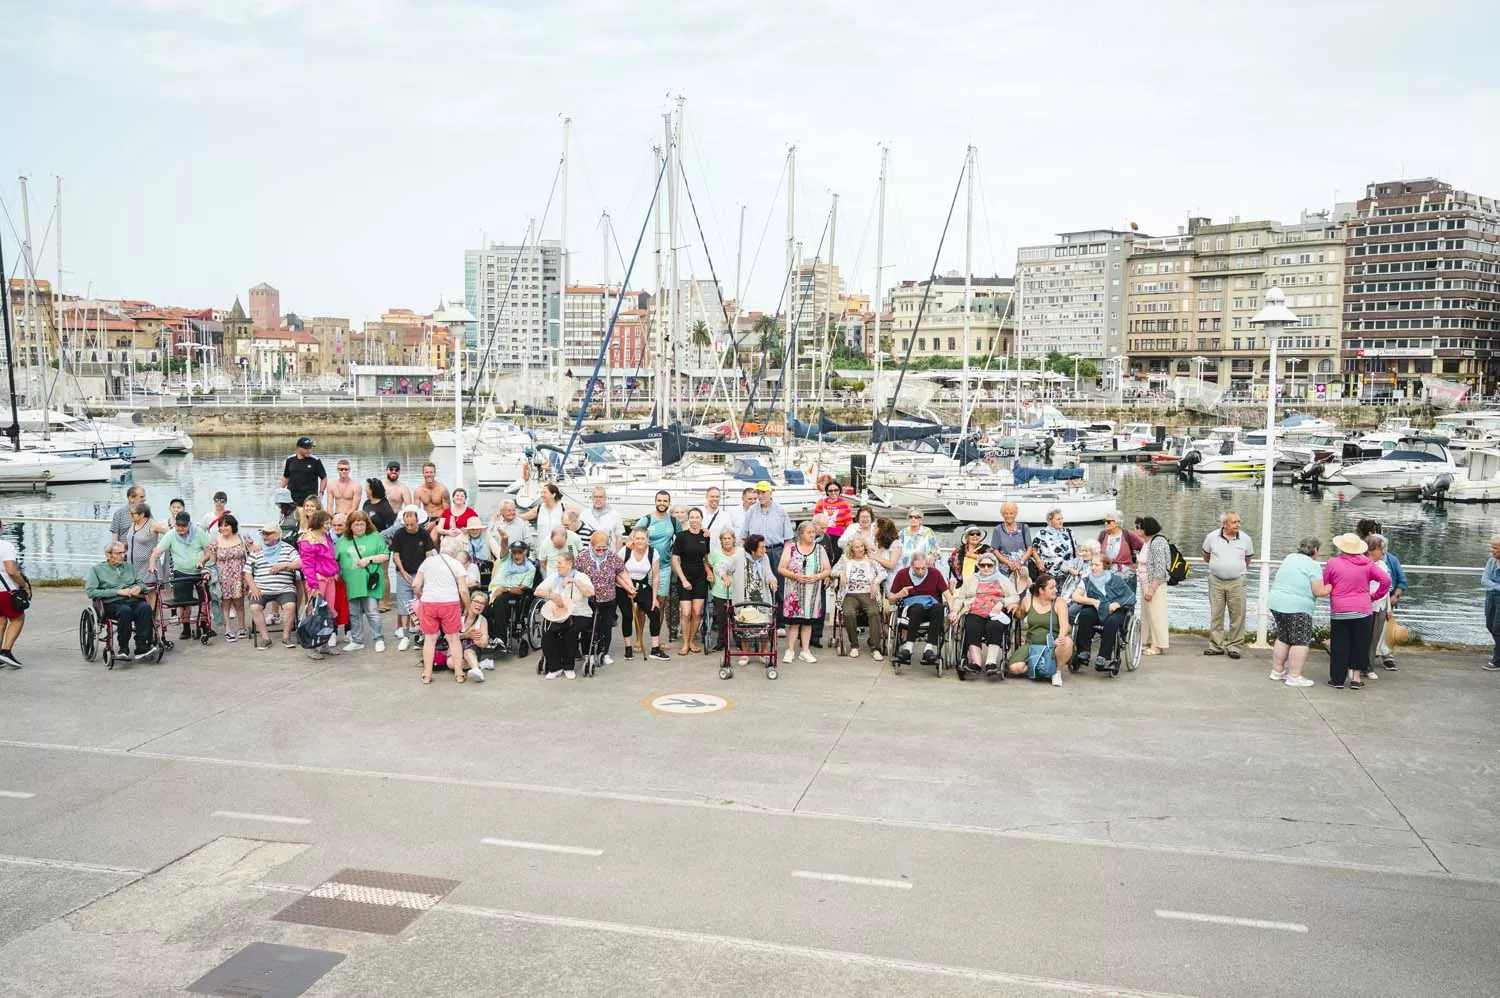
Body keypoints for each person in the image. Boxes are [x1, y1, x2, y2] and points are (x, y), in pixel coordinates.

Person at [1323, 533, 1390, 690]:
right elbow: (1386, 580)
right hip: (1363, 609)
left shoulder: (1333, 563)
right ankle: (1356, 678)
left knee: (1340, 644)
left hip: (1340, 610)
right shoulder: (1367, 563)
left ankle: (1338, 679)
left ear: (1341, 547)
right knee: (1359, 644)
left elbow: (1326, 581)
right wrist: (1374, 596)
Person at [1267, 537, 1331, 688]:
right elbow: (1319, 591)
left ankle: (1277, 671)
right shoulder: (1313, 566)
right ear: (1316, 550)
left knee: (1283, 637)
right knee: (1300, 641)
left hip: (1277, 602)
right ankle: (1294, 675)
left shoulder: (1290, 558)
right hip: (1297, 607)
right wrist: (1330, 587)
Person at [949, 551, 1020, 678]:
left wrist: (1002, 602)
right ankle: (976, 663)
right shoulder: (972, 579)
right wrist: (954, 611)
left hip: (996, 612)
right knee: (971, 626)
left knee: (995, 626)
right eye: (982, 565)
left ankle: (991, 663)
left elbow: (1015, 597)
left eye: (989, 565)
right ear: (978, 566)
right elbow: (960, 598)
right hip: (975, 610)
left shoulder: (1003, 580)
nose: (986, 568)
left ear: (995, 566)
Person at [412, 537, 472, 684]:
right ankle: (458, 673)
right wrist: (468, 606)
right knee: (453, 639)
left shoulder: (427, 562)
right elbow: (463, 590)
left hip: (429, 603)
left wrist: (420, 595)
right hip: (449, 603)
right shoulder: (457, 565)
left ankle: (427, 674)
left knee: (430, 639)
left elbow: (415, 584)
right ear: (456, 551)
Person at [149, 510, 213, 641]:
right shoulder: (171, 534)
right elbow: (157, 552)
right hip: (181, 571)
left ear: (189, 525)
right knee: (183, 602)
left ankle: (204, 625)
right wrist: (152, 565)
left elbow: (208, 552)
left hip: (199, 571)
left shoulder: (199, 533)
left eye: (183, 526)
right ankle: (186, 628)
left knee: (205, 600)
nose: (180, 528)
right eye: (178, 525)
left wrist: (202, 561)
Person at [85, 542, 156, 659]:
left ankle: (141, 647)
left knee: (145, 608)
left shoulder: (128, 567)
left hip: (132, 600)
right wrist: (117, 591)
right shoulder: (96, 569)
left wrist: (139, 587)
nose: (123, 555)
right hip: (111, 602)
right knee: (125, 611)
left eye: (123, 553)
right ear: (108, 555)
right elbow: (91, 592)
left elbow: (141, 583)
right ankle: (123, 649)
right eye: (119, 553)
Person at [1068, 552, 1136, 670]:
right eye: (1092, 565)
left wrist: (1118, 603)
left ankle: (1103, 657)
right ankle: (1084, 651)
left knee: (1112, 621)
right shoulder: (1086, 580)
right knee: (1085, 614)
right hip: (1096, 609)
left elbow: (1131, 597)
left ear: (1105, 567)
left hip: (1115, 610)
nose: (1093, 568)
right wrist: (1094, 602)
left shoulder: (1117, 580)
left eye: (1096, 565)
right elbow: (1075, 596)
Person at [534, 549, 594, 680]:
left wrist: (575, 582)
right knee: (548, 634)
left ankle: (568, 667)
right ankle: (555, 667)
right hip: (559, 613)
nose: (557, 566)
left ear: (570, 564)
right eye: (557, 563)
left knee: (571, 632)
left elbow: (590, 593)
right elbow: (537, 591)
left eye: (560, 563)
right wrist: (551, 596)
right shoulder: (554, 577)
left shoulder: (581, 576)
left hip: (579, 613)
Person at [1201, 511, 1254, 658]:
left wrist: (1235, 569)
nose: (1237, 525)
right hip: (1216, 580)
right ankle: (1216, 646)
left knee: (1237, 614)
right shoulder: (1211, 537)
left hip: (1237, 581)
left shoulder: (1245, 539)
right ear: (1225, 524)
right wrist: (1219, 566)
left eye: (1238, 521)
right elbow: (1206, 555)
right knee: (1216, 614)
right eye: (1234, 522)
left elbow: (1247, 558)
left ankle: (1234, 647)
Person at [1356, 519, 1407, 671]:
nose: (1382, 551)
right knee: (1367, 634)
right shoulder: (1361, 560)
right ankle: (1364, 662)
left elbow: (1401, 582)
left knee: (1383, 631)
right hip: (1368, 603)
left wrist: (1394, 597)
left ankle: (1385, 656)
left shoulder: (1390, 561)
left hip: (1385, 601)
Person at [1005, 573, 1073, 686]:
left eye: (1055, 587)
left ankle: (1056, 671)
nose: (1056, 590)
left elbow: (1064, 625)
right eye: (1051, 588)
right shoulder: (1028, 600)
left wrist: (1060, 637)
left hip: (1053, 645)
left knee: (1067, 642)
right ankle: (1041, 669)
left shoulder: (1059, 602)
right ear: (1041, 590)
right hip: (1032, 644)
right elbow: (1020, 615)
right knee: (1014, 668)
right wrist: (1015, 607)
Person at [576, 529, 631, 669]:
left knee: (606, 626)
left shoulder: (613, 557)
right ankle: (588, 653)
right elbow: (576, 574)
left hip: (608, 597)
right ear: (591, 545)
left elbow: (622, 572)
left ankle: (604, 652)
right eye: (597, 548)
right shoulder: (582, 557)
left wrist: (629, 586)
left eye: (604, 547)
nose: (601, 550)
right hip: (588, 598)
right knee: (588, 626)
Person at [739, 482, 793, 623]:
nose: (760, 496)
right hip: (755, 553)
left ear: (771, 493)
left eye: (763, 493)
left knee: (777, 586)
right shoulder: (751, 511)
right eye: (758, 493)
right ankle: (756, 619)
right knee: (754, 586)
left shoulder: (781, 511)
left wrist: (785, 558)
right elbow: (744, 536)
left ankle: (779, 622)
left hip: (775, 551)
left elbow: (788, 539)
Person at [337, 510, 389, 653]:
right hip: (351, 583)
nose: (359, 527)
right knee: (354, 613)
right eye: (356, 525)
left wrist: (369, 559)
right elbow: (335, 559)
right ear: (350, 526)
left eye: (362, 524)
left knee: (372, 611)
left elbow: (385, 555)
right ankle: (357, 640)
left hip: (368, 582)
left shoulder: (375, 537)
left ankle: (379, 639)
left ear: (367, 524)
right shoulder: (343, 540)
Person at [779, 520, 829, 664]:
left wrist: (817, 576)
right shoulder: (791, 548)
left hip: (812, 592)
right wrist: (795, 576)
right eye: (809, 532)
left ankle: (805, 651)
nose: (812, 535)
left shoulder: (820, 549)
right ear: (801, 534)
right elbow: (781, 568)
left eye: (813, 532)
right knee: (794, 624)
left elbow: (827, 569)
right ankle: (790, 650)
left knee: (808, 623)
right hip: (794, 592)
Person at [888, 550, 949, 667]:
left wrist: (954, 611)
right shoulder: (902, 574)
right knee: (917, 607)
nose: (920, 571)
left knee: (939, 607)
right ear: (911, 565)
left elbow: (948, 595)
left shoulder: (935, 573)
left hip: (931, 611)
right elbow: (891, 600)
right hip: (911, 612)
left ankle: (929, 649)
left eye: (923, 568)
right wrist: (899, 594)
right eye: (917, 568)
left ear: (927, 565)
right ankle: (908, 648)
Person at [245, 522, 301, 649]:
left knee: (290, 605)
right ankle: (265, 638)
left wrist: (284, 565)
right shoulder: (257, 550)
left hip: (284, 588)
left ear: (276, 535)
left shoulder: (287, 549)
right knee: (254, 607)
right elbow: (247, 572)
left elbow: (300, 563)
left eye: (268, 534)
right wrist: (253, 587)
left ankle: (286, 637)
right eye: (263, 533)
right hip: (261, 589)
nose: (264, 536)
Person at [831, 535, 886, 660]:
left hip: (868, 592)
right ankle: (854, 645)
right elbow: (833, 571)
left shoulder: (871, 559)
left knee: (874, 612)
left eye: (862, 546)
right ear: (852, 548)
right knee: (848, 613)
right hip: (850, 593)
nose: (860, 549)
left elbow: (883, 572)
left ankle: (875, 648)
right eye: (857, 547)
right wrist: (841, 573)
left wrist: (876, 582)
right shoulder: (845, 559)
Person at [389, 504, 435, 652]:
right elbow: (395, 554)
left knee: (421, 605)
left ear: (417, 521)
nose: (409, 527)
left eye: (412, 524)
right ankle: (405, 636)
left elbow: (429, 555)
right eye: (406, 524)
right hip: (404, 573)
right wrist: (402, 571)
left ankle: (421, 635)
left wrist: (425, 575)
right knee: (403, 606)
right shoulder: (399, 534)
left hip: (420, 574)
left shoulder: (424, 534)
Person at [620, 527, 669, 660]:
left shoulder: (653, 552)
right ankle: (628, 648)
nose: (640, 541)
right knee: (627, 615)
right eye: (637, 538)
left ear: (647, 540)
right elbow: (617, 572)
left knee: (655, 612)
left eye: (643, 538)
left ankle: (655, 649)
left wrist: (654, 599)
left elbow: (656, 576)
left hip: (642, 585)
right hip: (623, 586)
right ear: (633, 539)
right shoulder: (625, 551)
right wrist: (628, 587)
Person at [486, 540, 538, 655]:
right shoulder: (506, 559)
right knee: (481, 603)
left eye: (519, 553)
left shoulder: (530, 568)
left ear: (525, 553)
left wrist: (505, 589)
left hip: (513, 593)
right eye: (514, 553)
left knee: (499, 601)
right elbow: (503, 547)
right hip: (495, 589)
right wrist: (504, 538)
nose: (516, 555)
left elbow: (521, 589)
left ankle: (501, 638)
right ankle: (489, 636)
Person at [672, 508, 712, 655]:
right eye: (692, 517)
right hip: (685, 578)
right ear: (689, 519)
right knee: (686, 613)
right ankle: (684, 644)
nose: (694, 520)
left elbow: (706, 558)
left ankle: (690, 641)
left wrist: (709, 573)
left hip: (700, 579)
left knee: (696, 613)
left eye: (697, 517)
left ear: (701, 519)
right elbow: (675, 559)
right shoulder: (682, 536)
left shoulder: (705, 536)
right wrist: (683, 580)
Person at [1135, 517, 1171, 657]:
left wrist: (1152, 589)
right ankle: (1150, 641)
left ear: (1146, 528)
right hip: (1145, 582)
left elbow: (1160, 568)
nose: (1136, 530)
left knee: (1157, 615)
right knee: (1148, 615)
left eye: (1139, 527)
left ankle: (1158, 645)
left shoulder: (1157, 542)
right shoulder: (1146, 542)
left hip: (1154, 584)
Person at [211, 514, 251, 641]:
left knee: (239, 603)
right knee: (226, 603)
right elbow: (212, 562)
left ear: (232, 526)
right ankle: (227, 629)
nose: (223, 528)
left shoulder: (242, 538)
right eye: (221, 526)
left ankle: (242, 627)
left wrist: (248, 577)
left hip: (239, 575)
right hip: (223, 577)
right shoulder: (216, 541)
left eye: (226, 525)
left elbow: (252, 554)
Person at [122, 502, 165, 606]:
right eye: (130, 513)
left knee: (150, 591)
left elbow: (170, 534)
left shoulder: (152, 524)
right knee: (134, 591)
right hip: (132, 566)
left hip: (148, 566)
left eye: (133, 514)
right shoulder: (133, 524)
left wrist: (160, 548)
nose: (130, 516)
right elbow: (130, 541)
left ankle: (151, 618)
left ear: (142, 514)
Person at [707, 529, 737, 652]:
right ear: (720, 541)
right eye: (724, 538)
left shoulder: (741, 552)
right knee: (722, 618)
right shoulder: (715, 553)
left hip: (737, 591)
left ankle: (740, 642)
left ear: (734, 539)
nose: (727, 541)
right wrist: (710, 573)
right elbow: (706, 563)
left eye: (729, 538)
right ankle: (722, 642)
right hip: (720, 590)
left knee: (738, 617)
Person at [0, 521, 24, 668]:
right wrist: (23, 584)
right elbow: (11, 571)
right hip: (4, 590)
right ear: (1, 529)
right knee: (18, 618)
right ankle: (6, 652)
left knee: (1, 621)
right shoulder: (6, 546)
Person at [1029, 509, 1078, 579]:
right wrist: (1038, 561)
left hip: (1070, 568)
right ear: (1050, 521)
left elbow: (1076, 550)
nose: (1061, 521)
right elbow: (1033, 550)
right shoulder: (1042, 534)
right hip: (1051, 569)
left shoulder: (1069, 532)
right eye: (1058, 519)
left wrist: (1078, 564)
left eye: (1062, 519)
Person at [988, 503, 1031, 581]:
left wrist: (1020, 562)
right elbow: (995, 550)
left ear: (1016, 514)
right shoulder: (997, 529)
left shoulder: (1024, 527)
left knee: (1021, 591)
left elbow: (1029, 548)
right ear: (1002, 514)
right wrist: (1008, 563)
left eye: (1011, 513)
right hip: (1004, 570)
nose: (1009, 516)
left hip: (1022, 568)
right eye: (1006, 513)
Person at [281, 436, 327, 506]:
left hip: (310, 499)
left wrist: (321, 493)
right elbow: (286, 477)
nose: (308, 450)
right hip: (291, 498)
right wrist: (281, 491)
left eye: (310, 448)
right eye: (306, 448)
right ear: (298, 448)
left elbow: (323, 478)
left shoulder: (315, 460)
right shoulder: (290, 460)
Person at [457, 591, 492, 682]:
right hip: (457, 648)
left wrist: (477, 640)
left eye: (482, 603)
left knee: (468, 652)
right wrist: (467, 635)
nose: (479, 605)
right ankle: (481, 664)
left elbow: (484, 643)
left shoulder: (483, 620)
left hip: (473, 649)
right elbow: (448, 637)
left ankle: (477, 670)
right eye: (476, 602)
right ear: (470, 601)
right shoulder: (459, 616)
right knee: (451, 664)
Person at [1097, 510, 1142, 577]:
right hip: (1107, 575)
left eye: (1108, 522)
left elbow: (1144, 547)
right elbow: (1095, 552)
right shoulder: (1102, 535)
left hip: (1127, 576)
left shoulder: (1128, 534)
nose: (1105, 523)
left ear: (1117, 523)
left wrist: (1140, 563)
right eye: (1105, 521)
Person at [892, 509, 939, 574]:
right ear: (908, 519)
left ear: (920, 520)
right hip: (907, 569)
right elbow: (896, 550)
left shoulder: (928, 532)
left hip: (924, 569)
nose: (913, 519)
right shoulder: (902, 533)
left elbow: (935, 550)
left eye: (916, 517)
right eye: (911, 517)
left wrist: (933, 557)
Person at [813, 480, 853, 549]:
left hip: (838, 535)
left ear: (839, 490)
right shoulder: (820, 503)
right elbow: (815, 522)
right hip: (823, 534)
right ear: (827, 492)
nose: (833, 492)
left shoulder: (845, 504)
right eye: (830, 491)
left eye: (836, 490)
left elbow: (849, 524)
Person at [1484, 536, 1500, 672]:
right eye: (1492, 547)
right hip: (1490, 597)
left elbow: (1489, 582)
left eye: (1495, 548)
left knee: (1497, 628)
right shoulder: (1491, 561)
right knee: (1489, 625)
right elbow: (1485, 580)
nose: (1492, 550)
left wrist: (1493, 585)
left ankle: (1497, 660)